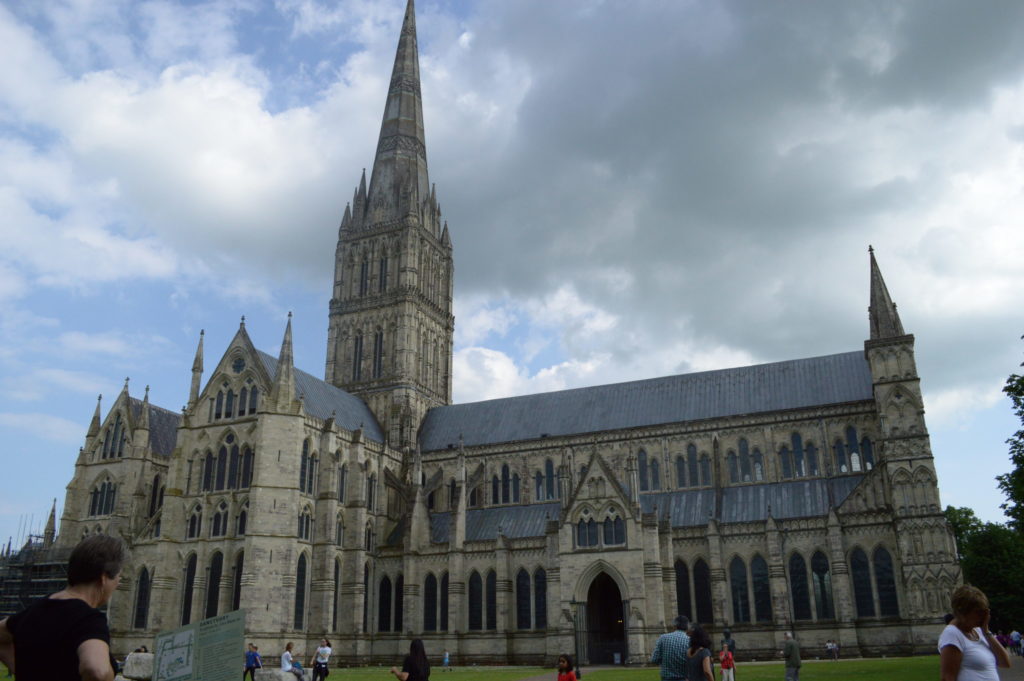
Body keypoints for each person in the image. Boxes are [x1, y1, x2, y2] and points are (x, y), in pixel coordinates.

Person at [0, 533, 126, 681]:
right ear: (104, 578)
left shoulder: (37, 608)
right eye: (118, 578)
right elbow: (96, 670)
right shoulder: (88, 619)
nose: (117, 584)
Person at [939, 584, 1011, 681]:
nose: (983, 616)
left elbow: (1005, 663)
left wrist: (986, 632)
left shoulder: (978, 631)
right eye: (978, 612)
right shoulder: (952, 634)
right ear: (963, 612)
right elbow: (948, 678)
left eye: (984, 612)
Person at [651, 615, 690, 681]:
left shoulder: (663, 638)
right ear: (687, 627)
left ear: (674, 626)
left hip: (667, 678)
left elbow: (654, 659)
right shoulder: (690, 641)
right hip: (684, 678)